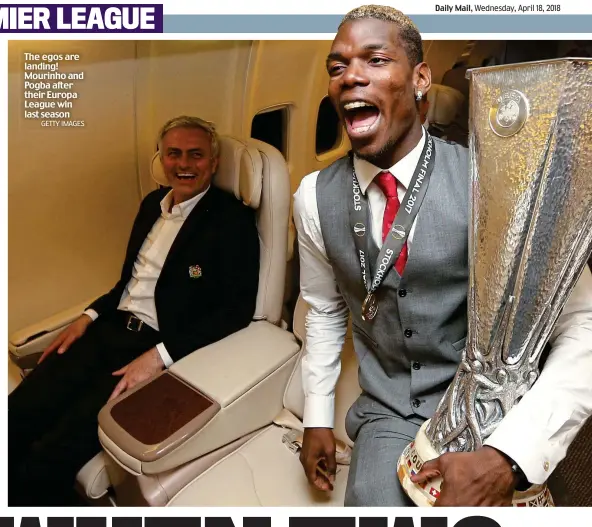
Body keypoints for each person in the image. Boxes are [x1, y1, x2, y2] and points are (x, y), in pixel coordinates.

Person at [293, 5, 592, 507]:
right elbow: (324, 310)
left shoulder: (498, 189)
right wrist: (317, 416)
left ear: (420, 79)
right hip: (388, 410)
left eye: (375, 59)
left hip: (492, 404)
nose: (351, 77)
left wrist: (509, 456)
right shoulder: (311, 198)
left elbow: (583, 326)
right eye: (337, 67)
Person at [8, 115, 260, 506]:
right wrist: (87, 317)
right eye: (174, 154)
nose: (184, 164)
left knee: (52, 451)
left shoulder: (231, 222)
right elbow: (126, 282)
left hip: (151, 346)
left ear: (213, 163)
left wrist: (158, 357)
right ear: (161, 158)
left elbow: (235, 312)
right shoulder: (150, 206)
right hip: (106, 330)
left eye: (196, 155)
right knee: (18, 412)